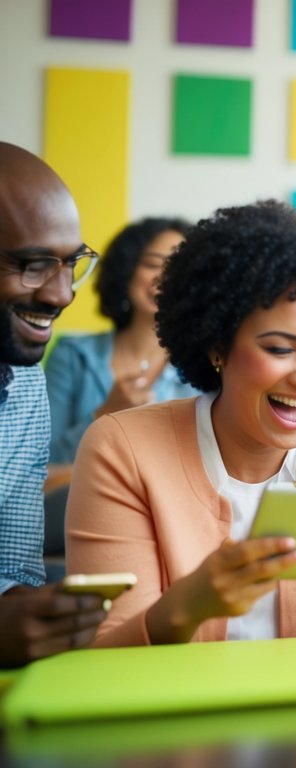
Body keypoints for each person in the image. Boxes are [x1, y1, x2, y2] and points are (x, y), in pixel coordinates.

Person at [65, 201, 296, 646]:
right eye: (280, 349)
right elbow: (105, 649)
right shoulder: (122, 448)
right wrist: (190, 606)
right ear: (217, 347)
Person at [0, 141, 107, 666]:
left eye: (71, 263)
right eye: (34, 265)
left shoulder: (23, 386)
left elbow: (14, 569)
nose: (62, 294)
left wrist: (36, 611)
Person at [45, 217, 198, 466]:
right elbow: (40, 464)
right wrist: (102, 415)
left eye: (177, 268)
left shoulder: (202, 370)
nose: (163, 278)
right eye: (152, 264)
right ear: (126, 270)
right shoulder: (72, 355)